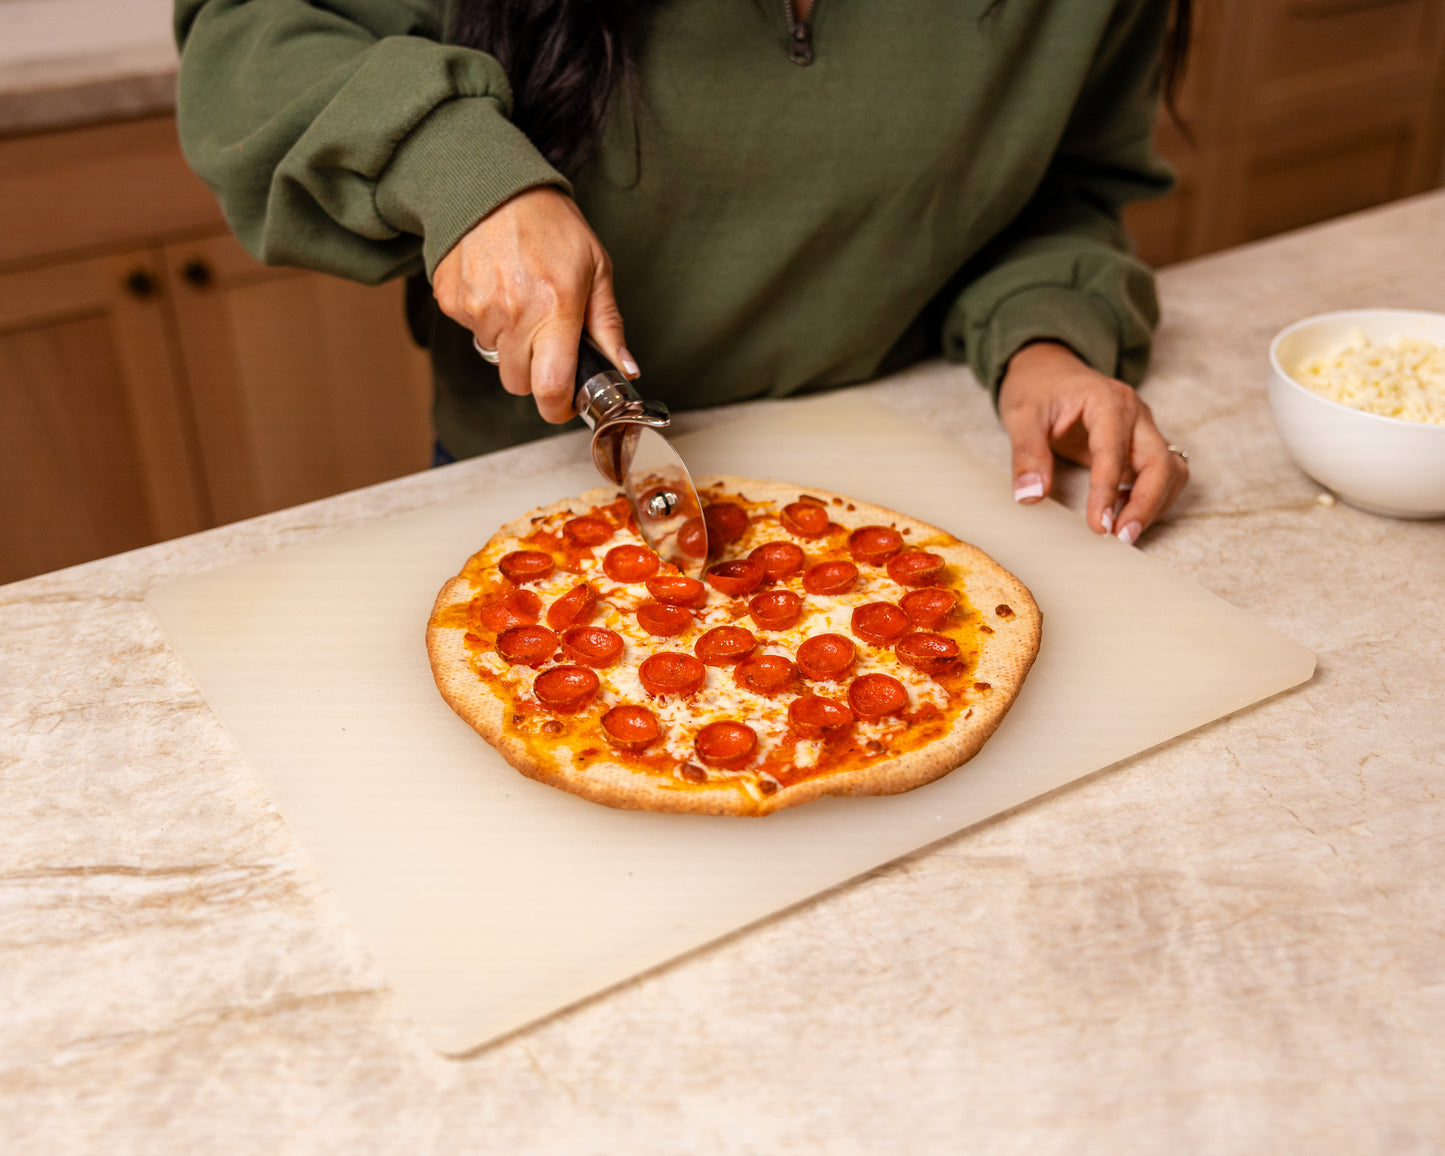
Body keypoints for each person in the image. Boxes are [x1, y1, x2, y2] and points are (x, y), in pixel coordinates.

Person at [174, 0, 1190, 542]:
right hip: (529, 474)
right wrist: (458, 167)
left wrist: (1044, 339)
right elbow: (253, 32)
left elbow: (1060, 189)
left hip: (901, 458)